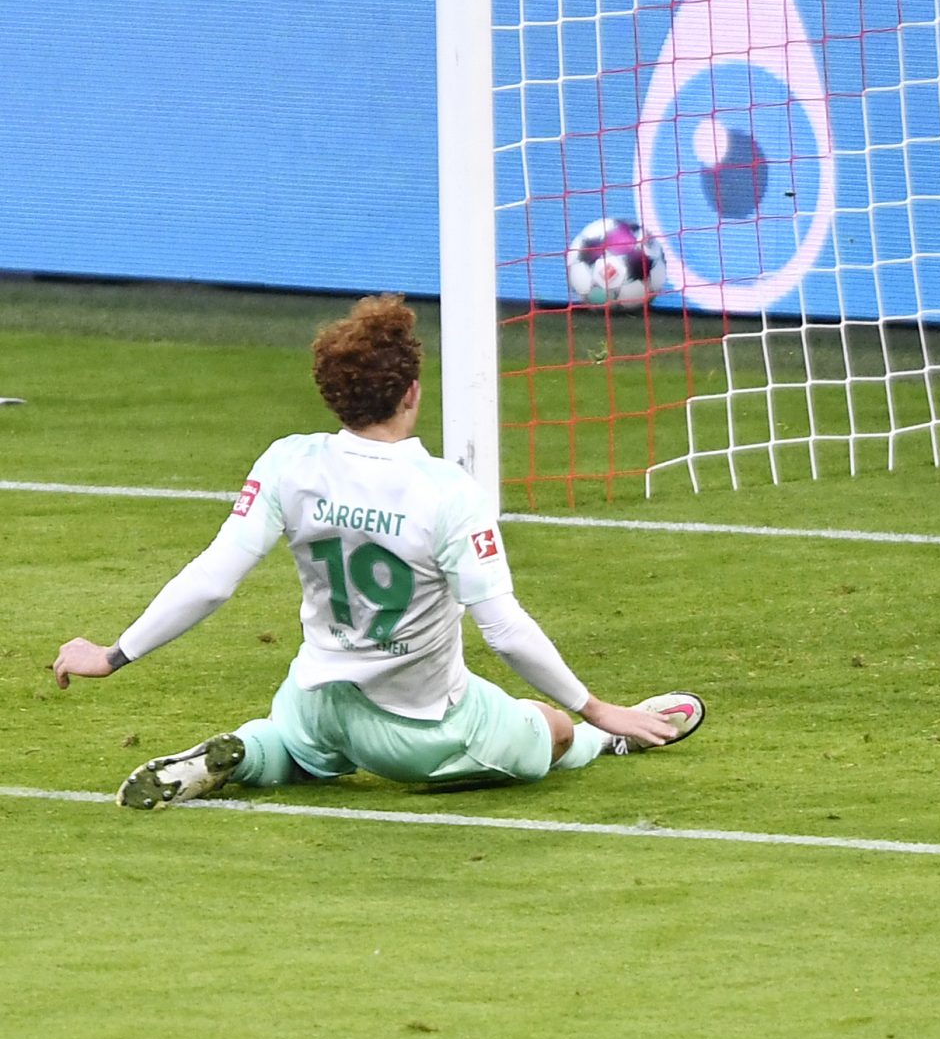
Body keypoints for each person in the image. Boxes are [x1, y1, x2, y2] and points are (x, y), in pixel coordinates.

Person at [49, 295, 703, 807]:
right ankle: (614, 735)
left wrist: (111, 654)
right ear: (412, 391)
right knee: (550, 729)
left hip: (315, 700)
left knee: (290, 746)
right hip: (421, 727)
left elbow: (214, 578)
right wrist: (592, 705)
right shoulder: (449, 493)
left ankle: (245, 754)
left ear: (332, 392)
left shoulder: (288, 462)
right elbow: (503, 628)